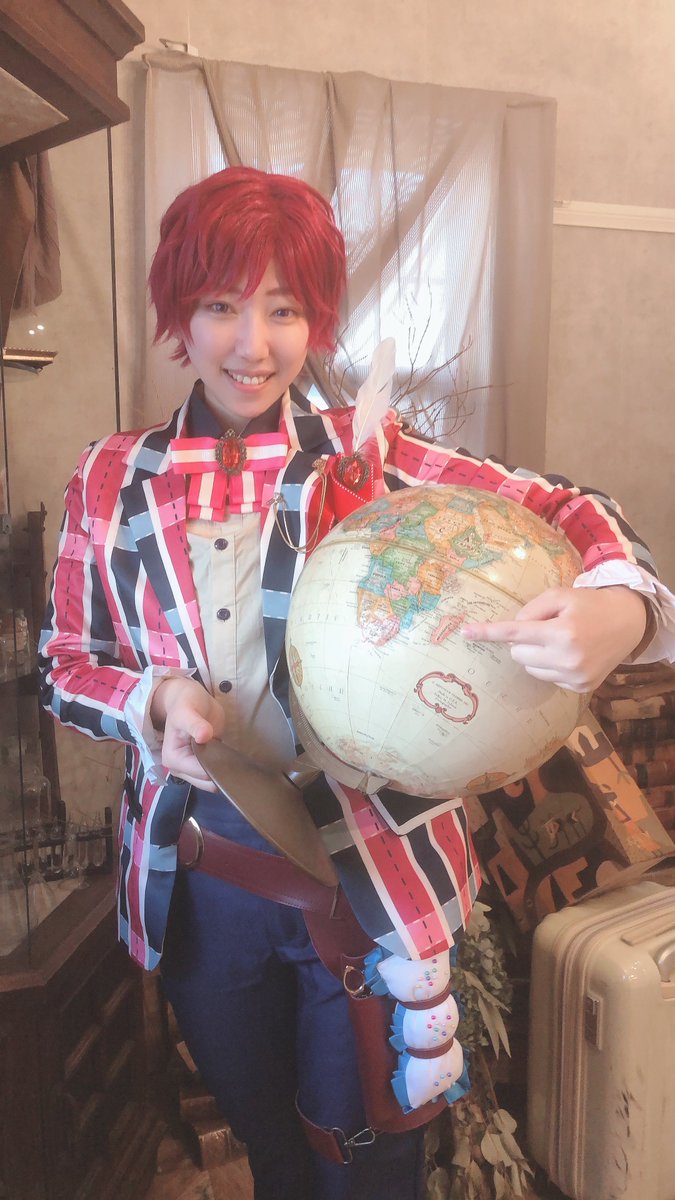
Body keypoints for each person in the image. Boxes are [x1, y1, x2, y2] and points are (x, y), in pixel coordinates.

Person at [39, 166, 675, 1200]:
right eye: (221, 305)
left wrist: (622, 609)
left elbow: (568, 509)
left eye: (284, 309)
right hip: (200, 883)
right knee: (270, 1146)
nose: (253, 344)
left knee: (370, 1163)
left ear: (316, 320)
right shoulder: (112, 478)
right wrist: (151, 702)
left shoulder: (368, 454)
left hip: (367, 881)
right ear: (179, 313)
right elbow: (66, 665)